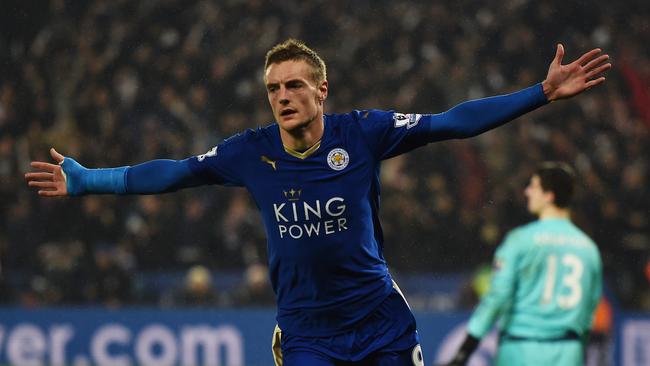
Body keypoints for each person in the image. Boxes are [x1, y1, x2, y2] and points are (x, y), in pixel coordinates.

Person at [25, 39, 610, 365]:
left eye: (294, 84)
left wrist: (540, 93)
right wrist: (88, 181)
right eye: (273, 88)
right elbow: (175, 172)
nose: (282, 96)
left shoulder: (362, 132)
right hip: (307, 334)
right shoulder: (249, 153)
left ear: (321, 89)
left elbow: (450, 122)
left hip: (379, 321)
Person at [443, 162, 603, 366]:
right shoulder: (588, 248)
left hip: (521, 350)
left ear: (549, 196)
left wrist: (464, 351)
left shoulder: (520, 240)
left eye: (534, 186)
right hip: (568, 353)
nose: (527, 191)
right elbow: (590, 307)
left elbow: (497, 297)